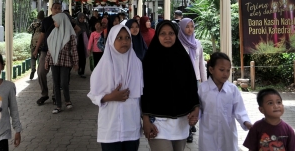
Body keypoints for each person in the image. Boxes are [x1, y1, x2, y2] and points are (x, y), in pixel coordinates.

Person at [141, 20, 200, 150]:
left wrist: (195, 108)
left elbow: (192, 86)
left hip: (181, 121)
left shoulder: (183, 58)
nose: (167, 37)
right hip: (157, 122)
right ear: (157, 36)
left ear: (176, 35)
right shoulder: (150, 60)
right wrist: (145, 119)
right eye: (163, 34)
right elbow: (144, 92)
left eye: (171, 33)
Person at [88, 24, 144, 151]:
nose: (124, 41)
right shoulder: (103, 66)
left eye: (127, 38)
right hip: (110, 128)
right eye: (119, 38)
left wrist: (145, 120)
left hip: (131, 126)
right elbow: (93, 95)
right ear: (111, 40)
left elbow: (141, 96)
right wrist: (110, 97)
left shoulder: (137, 64)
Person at [198, 52, 251, 151]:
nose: (225, 74)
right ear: (211, 69)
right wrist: (193, 117)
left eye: (228, 70)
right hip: (208, 137)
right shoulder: (202, 89)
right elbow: (198, 110)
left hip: (228, 136)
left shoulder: (233, 89)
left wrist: (247, 123)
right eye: (222, 70)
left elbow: (240, 111)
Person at [178, 18, 207, 143]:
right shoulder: (177, 44)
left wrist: (204, 82)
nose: (190, 29)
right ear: (182, 28)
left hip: (195, 79)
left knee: (194, 104)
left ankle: (191, 126)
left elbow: (201, 63)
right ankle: (187, 130)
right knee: (185, 104)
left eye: (192, 26)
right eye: (187, 26)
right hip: (182, 79)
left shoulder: (197, 43)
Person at [45, 12, 79, 114]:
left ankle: (67, 100)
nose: (54, 23)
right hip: (54, 62)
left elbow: (73, 49)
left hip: (65, 62)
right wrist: (46, 60)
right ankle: (58, 106)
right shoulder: (53, 34)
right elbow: (50, 49)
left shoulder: (70, 34)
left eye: (55, 21)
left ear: (61, 21)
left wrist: (76, 62)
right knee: (56, 84)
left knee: (64, 83)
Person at [33, 2, 62, 106]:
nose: (57, 10)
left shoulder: (64, 20)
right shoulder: (46, 21)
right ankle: (44, 94)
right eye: (55, 8)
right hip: (45, 50)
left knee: (56, 74)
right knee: (41, 72)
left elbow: (74, 30)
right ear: (51, 9)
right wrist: (36, 49)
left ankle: (55, 95)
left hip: (58, 50)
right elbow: (42, 35)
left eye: (59, 8)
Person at [28, 11, 45, 80]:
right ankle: (39, 71)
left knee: (33, 57)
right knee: (41, 58)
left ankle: (33, 69)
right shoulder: (44, 23)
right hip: (42, 42)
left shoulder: (34, 23)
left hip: (33, 42)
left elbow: (28, 30)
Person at [74, 12, 90, 78]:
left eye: (83, 18)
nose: (82, 19)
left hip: (84, 42)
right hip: (77, 42)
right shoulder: (75, 24)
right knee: (78, 57)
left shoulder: (85, 24)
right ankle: (79, 69)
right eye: (80, 18)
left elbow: (88, 32)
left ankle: (82, 71)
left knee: (83, 58)